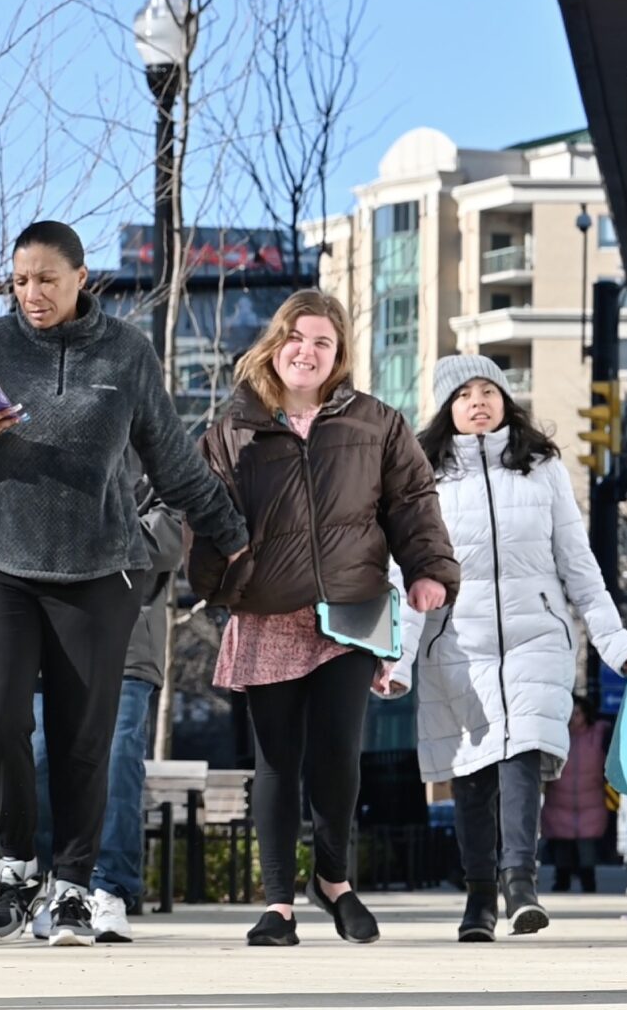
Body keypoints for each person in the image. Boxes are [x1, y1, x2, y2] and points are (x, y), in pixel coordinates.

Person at [0, 220, 247, 948]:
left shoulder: (126, 353)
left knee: (83, 738)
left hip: (99, 572)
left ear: (80, 278)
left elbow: (173, 461)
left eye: (45, 279)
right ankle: (13, 867)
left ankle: (70, 889)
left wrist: (232, 534)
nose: (31, 293)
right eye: (20, 281)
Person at [192, 290, 458, 948]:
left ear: (339, 357)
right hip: (268, 610)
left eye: (323, 343)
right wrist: (214, 579)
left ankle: (333, 880)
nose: (306, 352)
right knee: (277, 761)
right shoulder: (234, 428)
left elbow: (412, 503)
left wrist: (428, 572)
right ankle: (278, 905)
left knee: (338, 755)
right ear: (276, 343)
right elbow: (205, 516)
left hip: (352, 607)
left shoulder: (376, 423)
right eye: (297, 338)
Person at [409, 356, 627, 941]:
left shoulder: (541, 470)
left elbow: (577, 563)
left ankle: (521, 884)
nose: (478, 401)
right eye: (463, 395)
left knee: (523, 756)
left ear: (506, 401)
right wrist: (394, 658)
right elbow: (404, 574)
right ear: (448, 411)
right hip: (458, 642)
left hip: (536, 635)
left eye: (488, 390)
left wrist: (615, 641)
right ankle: (479, 898)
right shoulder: (422, 477)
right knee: (471, 771)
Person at [25, 478, 180, 943]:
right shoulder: (46, 446)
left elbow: (165, 545)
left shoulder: (160, 464)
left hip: (127, 647)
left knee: (116, 763)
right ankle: (58, 887)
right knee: (39, 761)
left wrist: (83, 526)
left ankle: (108, 889)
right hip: (47, 644)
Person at [544, 698, 616, 894]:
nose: (574, 718)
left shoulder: (598, 735)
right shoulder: (555, 735)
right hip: (558, 801)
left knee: (587, 849)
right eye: (570, 714)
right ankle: (562, 880)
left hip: (590, 802)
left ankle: (588, 881)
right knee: (562, 848)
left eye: (578, 713)